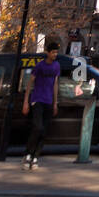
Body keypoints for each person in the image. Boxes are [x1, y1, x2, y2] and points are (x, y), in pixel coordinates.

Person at [22, 36, 61, 169]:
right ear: (48, 53)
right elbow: (30, 82)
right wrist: (26, 102)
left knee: (43, 131)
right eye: (53, 52)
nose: (55, 55)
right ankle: (28, 153)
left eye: (56, 52)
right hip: (37, 99)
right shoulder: (40, 66)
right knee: (37, 127)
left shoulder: (57, 66)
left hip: (49, 101)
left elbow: (55, 84)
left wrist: (55, 103)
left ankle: (35, 156)